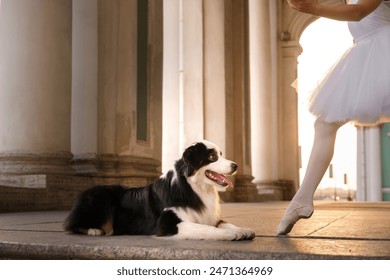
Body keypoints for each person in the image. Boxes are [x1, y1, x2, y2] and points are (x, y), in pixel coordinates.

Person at [278, 0, 390, 235]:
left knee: (325, 124)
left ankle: (301, 199)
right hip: (366, 52)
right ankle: (302, 199)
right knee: (324, 124)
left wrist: (313, 8)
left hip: (382, 50)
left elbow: (358, 13)